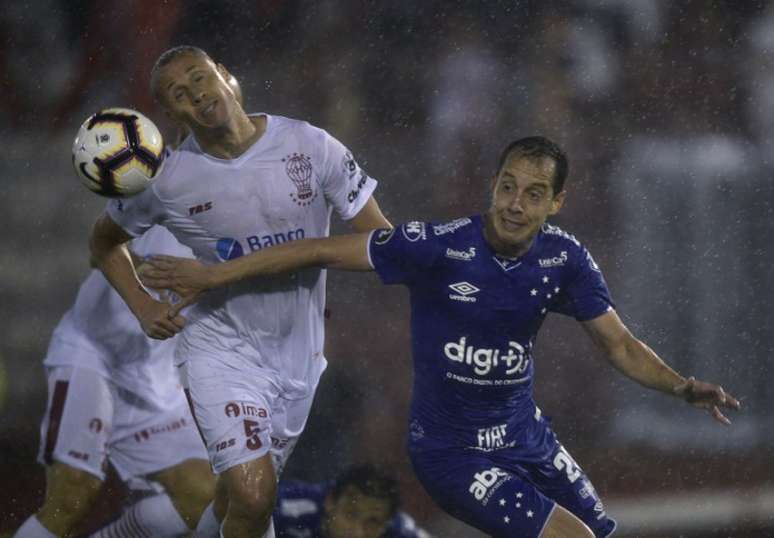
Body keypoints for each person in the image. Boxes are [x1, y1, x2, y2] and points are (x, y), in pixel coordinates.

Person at [139, 136, 741, 538]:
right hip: (451, 454)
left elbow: (621, 346)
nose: (514, 204)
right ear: (493, 184)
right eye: (507, 186)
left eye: (534, 194)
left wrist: (684, 389)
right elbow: (320, 248)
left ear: (557, 202)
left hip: (525, 437)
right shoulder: (437, 246)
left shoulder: (566, 260)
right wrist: (215, 274)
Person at [89, 45, 392, 538]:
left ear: (226, 75)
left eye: (200, 77)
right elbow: (102, 244)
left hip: (298, 358)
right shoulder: (166, 181)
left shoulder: (310, 146)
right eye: (179, 94)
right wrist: (143, 306)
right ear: (172, 114)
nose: (196, 94)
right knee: (255, 494)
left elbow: (382, 243)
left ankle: (159, 530)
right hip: (220, 349)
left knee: (235, 501)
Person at [12, 225, 214, 538]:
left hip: (153, 371)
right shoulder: (163, 188)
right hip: (94, 354)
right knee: (72, 494)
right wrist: (142, 284)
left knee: (204, 495)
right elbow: (101, 248)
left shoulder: (255, 208)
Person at [274, 464, 432, 538]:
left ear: (386, 523)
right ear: (330, 502)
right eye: (350, 514)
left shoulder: (401, 532)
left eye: (372, 522)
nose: (357, 533)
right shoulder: (287, 509)